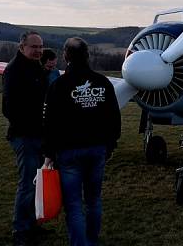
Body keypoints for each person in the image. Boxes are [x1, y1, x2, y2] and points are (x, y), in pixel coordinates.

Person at [42, 37, 121, 246]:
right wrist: (110, 145)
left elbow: (49, 123)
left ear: (65, 56)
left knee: (74, 204)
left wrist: (49, 153)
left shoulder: (59, 85)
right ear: (87, 56)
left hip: (69, 153)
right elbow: (114, 117)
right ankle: (91, 241)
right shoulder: (103, 83)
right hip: (97, 150)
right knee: (94, 200)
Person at [2, 31, 49, 245]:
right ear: (22, 47)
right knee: (28, 184)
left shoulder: (36, 68)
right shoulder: (14, 70)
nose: (38, 50)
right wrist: (32, 126)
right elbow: (9, 108)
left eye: (40, 46)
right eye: (34, 47)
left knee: (37, 183)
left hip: (39, 135)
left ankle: (31, 225)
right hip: (26, 136)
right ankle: (20, 230)